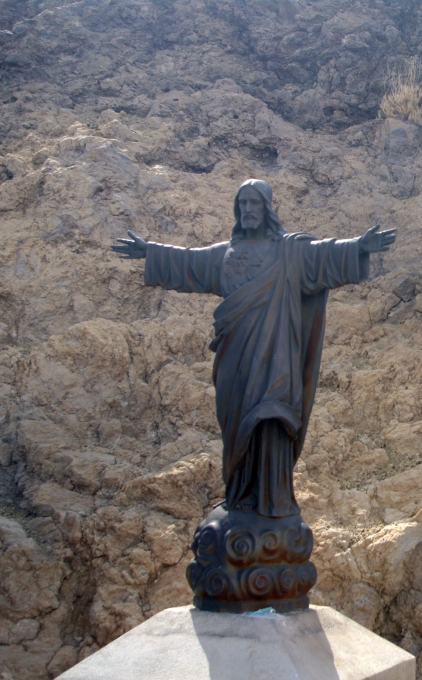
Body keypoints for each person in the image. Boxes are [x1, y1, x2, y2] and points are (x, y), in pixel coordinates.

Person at [113, 179, 395, 519]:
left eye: (254, 203)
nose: (248, 209)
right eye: (242, 203)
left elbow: (322, 254)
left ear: (267, 208)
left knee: (271, 418)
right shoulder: (225, 253)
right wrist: (151, 251)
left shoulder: (288, 251)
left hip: (276, 358)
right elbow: (188, 262)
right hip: (234, 360)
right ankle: (240, 494)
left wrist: (359, 246)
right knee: (235, 424)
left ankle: (274, 497)